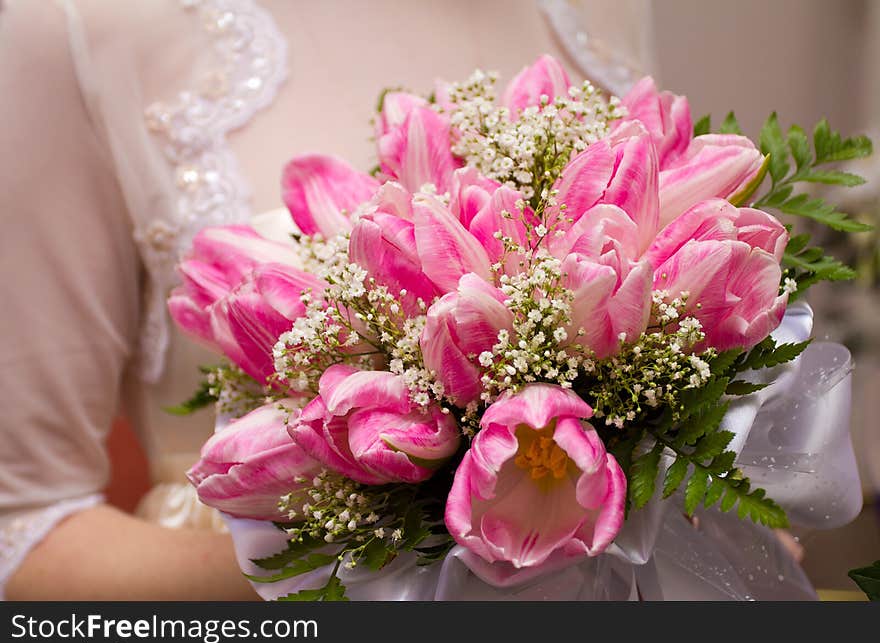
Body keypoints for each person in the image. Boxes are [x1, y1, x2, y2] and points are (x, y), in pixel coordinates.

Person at [0, 0, 851, 601]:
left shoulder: (603, 7)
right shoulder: (76, 24)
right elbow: (24, 535)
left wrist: (688, 540)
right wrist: (392, 572)